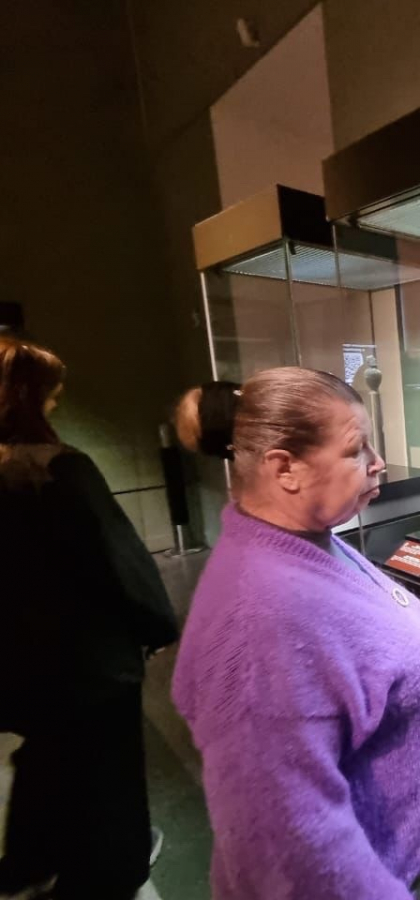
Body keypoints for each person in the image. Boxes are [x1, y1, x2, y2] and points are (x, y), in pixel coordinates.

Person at [171, 368, 420, 900]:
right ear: (285, 468)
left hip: (396, 853)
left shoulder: (304, 542)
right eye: (355, 450)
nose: (377, 461)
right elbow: (288, 850)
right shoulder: (257, 624)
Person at [0, 336, 179, 900]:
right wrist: (157, 624)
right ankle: (112, 870)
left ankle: (28, 860)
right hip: (86, 662)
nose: (56, 402)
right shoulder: (60, 471)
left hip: (16, 659)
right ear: (30, 396)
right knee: (111, 774)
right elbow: (118, 560)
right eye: (50, 394)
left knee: (44, 755)